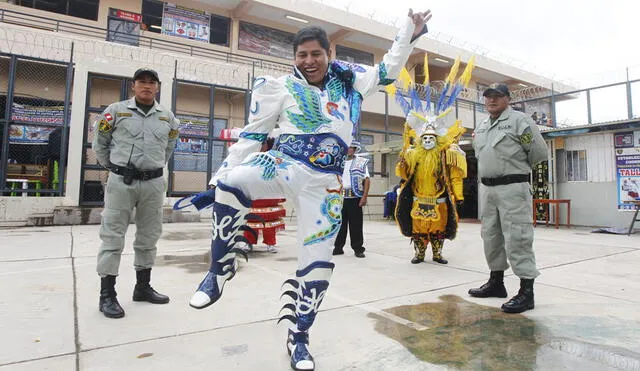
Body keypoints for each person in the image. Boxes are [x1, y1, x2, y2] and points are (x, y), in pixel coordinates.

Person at [187, 9, 432, 371]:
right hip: (284, 164)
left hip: (327, 184)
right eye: (302, 55)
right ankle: (220, 269)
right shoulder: (278, 87)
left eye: (316, 53)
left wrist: (407, 30)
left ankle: (299, 337)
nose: (309, 60)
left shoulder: (352, 80)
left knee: (317, 266)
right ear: (294, 57)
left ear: (328, 54)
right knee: (232, 181)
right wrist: (216, 180)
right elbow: (253, 135)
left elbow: (389, 70)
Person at [92, 68, 179, 319]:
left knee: (149, 235)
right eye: (142, 81)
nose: (147, 86)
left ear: (158, 88)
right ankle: (107, 294)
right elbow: (100, 143)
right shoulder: (115, 111)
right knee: (113, 235)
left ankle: (142, 287)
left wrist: (152, 167)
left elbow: (169, 147)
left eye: (152, 82)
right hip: (122, 182)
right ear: (133, 86)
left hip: (153, 183)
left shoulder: (168, 118)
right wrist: (115, 168)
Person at [468, 83, 548, 314]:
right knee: (491, 236)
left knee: (518, 237)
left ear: (507, 98)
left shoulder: (519, 121)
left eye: (497, 96)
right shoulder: (482, 126)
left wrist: (515, 171)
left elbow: (538, 153)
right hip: (488, 189)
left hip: (513, 187)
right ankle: (496, 283)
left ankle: (527, 292)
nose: (492, 100)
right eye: (488, 97)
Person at [388, 56, 473, 265]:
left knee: (439, 227)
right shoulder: (413, 154)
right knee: (419, 227)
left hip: (439, 199)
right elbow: (405, 173)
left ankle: (436, 253)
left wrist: (459, 195)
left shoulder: (446, 154)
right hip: (418, 197)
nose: (427, 141)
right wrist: (403, 158)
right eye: (424, 138)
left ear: (437, 139)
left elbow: (455, 176)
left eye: (430, 138)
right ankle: (419, 253)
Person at [333, 140, 370, 258]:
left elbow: (367, 179)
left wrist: (364, 196)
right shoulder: (338, 162)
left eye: (351, 147)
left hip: (355, 198)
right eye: (347, 147)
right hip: (340, 198)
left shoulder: (361, 162)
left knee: (356, 225)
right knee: (339, 224)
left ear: (355, 149)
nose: (349, 149)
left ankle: (358, 248)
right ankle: (338, 247)